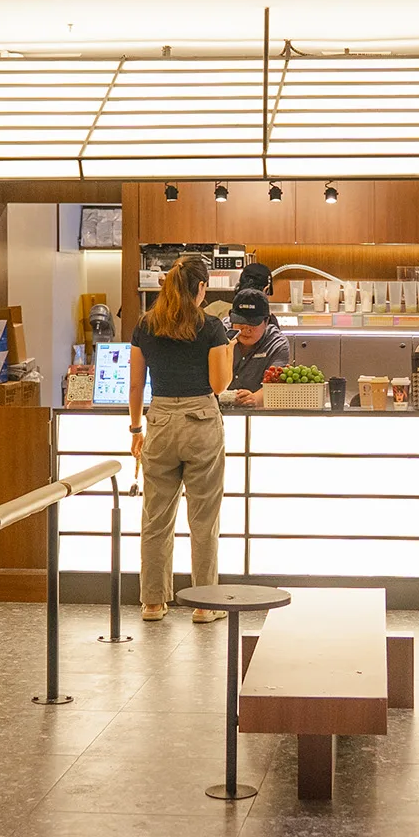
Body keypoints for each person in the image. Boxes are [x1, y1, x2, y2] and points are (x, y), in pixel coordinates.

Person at [129, 254, 234, 624]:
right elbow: (219, 385)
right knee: (203, 520)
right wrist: (228, 352)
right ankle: (204, 605)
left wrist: (136, 430)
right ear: (201, 287)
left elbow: (136, 385)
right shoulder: (211, 327)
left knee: (155, 518)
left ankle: (152, 603)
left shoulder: (146, 324)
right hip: (201, 421)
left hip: (159, 420)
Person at [224, 288, 291, 407]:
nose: (246, 329)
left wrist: (255, 398)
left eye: (253, 323)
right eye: (240, 322)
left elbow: (276, 384)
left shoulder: (277, 344)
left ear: (266, 321)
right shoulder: (219, 334)